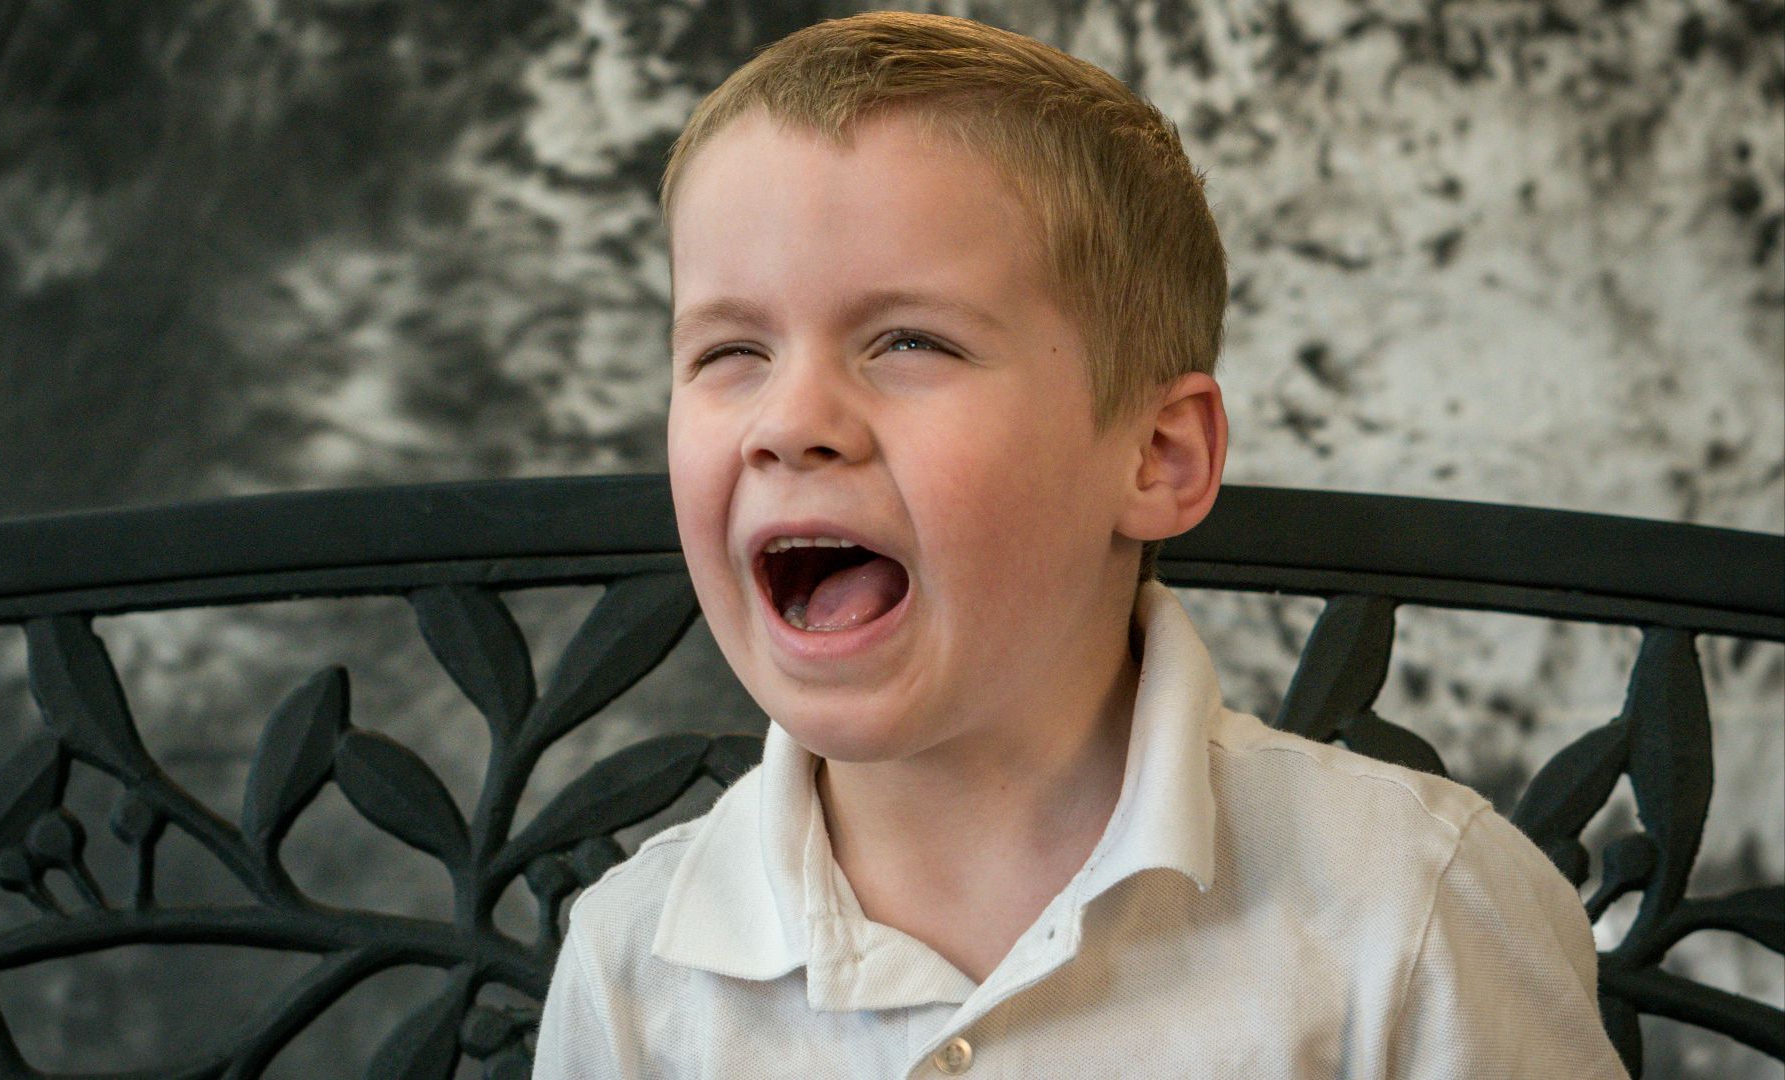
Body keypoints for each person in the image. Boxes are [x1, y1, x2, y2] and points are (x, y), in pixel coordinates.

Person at [534, 12, 1625, 1078]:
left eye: (909, 341)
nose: (787, 421)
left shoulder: (1417, 915)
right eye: (731, 350)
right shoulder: (636, 967)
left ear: (1157, 455)